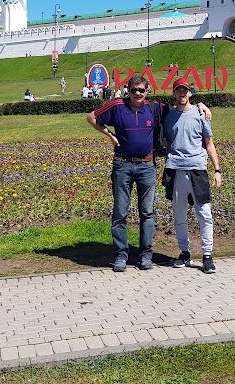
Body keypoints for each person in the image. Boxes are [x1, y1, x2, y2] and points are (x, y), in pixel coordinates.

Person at [86, 75, 212, 273]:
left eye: (141, 90)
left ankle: (146, 254)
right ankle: (121, 255)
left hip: (146, 165)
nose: (137, 93)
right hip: (122, 165)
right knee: (120, 211)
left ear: (147, 91)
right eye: (134, 90)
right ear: (128, 90)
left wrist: (201, 105)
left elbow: (181, 107)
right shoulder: (118, 105)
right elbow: (91, 117)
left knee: (147, 213)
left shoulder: (153, 108)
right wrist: (109, 135)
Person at [163, 77, 222, 274]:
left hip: (197, 169)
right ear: (174, 93)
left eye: (185, 91)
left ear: (190, 93)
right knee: (179, 214)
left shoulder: (200, 114)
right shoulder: (168, 116)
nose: (182, 94)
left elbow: (209, 143)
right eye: (178, 90)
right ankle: (184, 252)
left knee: (204, 213)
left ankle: (207, 256)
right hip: (175, 169)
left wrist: (217, 170)